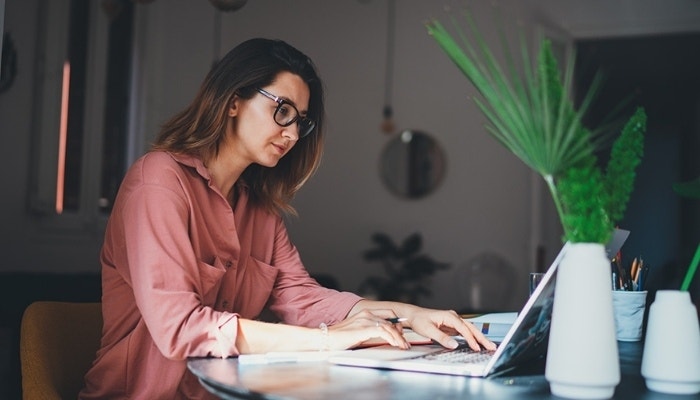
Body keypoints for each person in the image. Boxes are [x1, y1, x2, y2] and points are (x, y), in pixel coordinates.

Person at [79, 38, 495, 399]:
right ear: (233, 101)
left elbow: (304, 299)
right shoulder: (158, 182)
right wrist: (328, 342)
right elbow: (180, 328)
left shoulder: (259, 210)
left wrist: (407, 314)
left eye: (301, 121)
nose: (293, 135)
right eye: (283, 111)